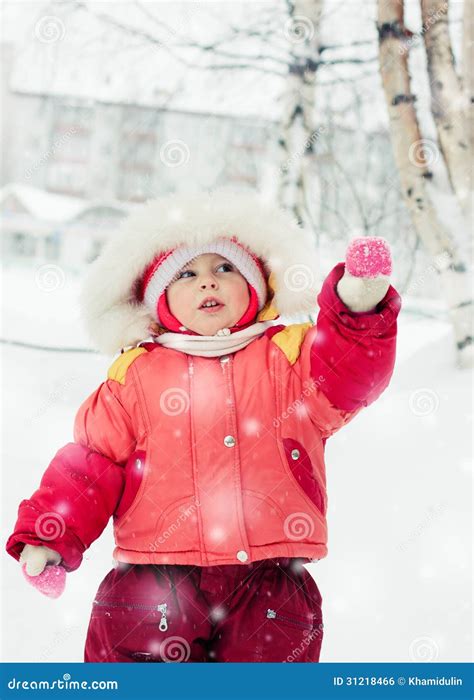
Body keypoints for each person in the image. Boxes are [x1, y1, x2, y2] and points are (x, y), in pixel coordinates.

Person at [5, 189, 401, 662]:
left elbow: (350, 374)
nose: (207, 283)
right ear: (159, 300)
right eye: (187, 274)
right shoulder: (136, 374)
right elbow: (93, 462)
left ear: (258, 287)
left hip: (270, 583)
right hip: (153, 583)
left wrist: (357, 309)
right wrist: (52, 532)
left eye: (225, 269)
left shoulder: (290, 358)